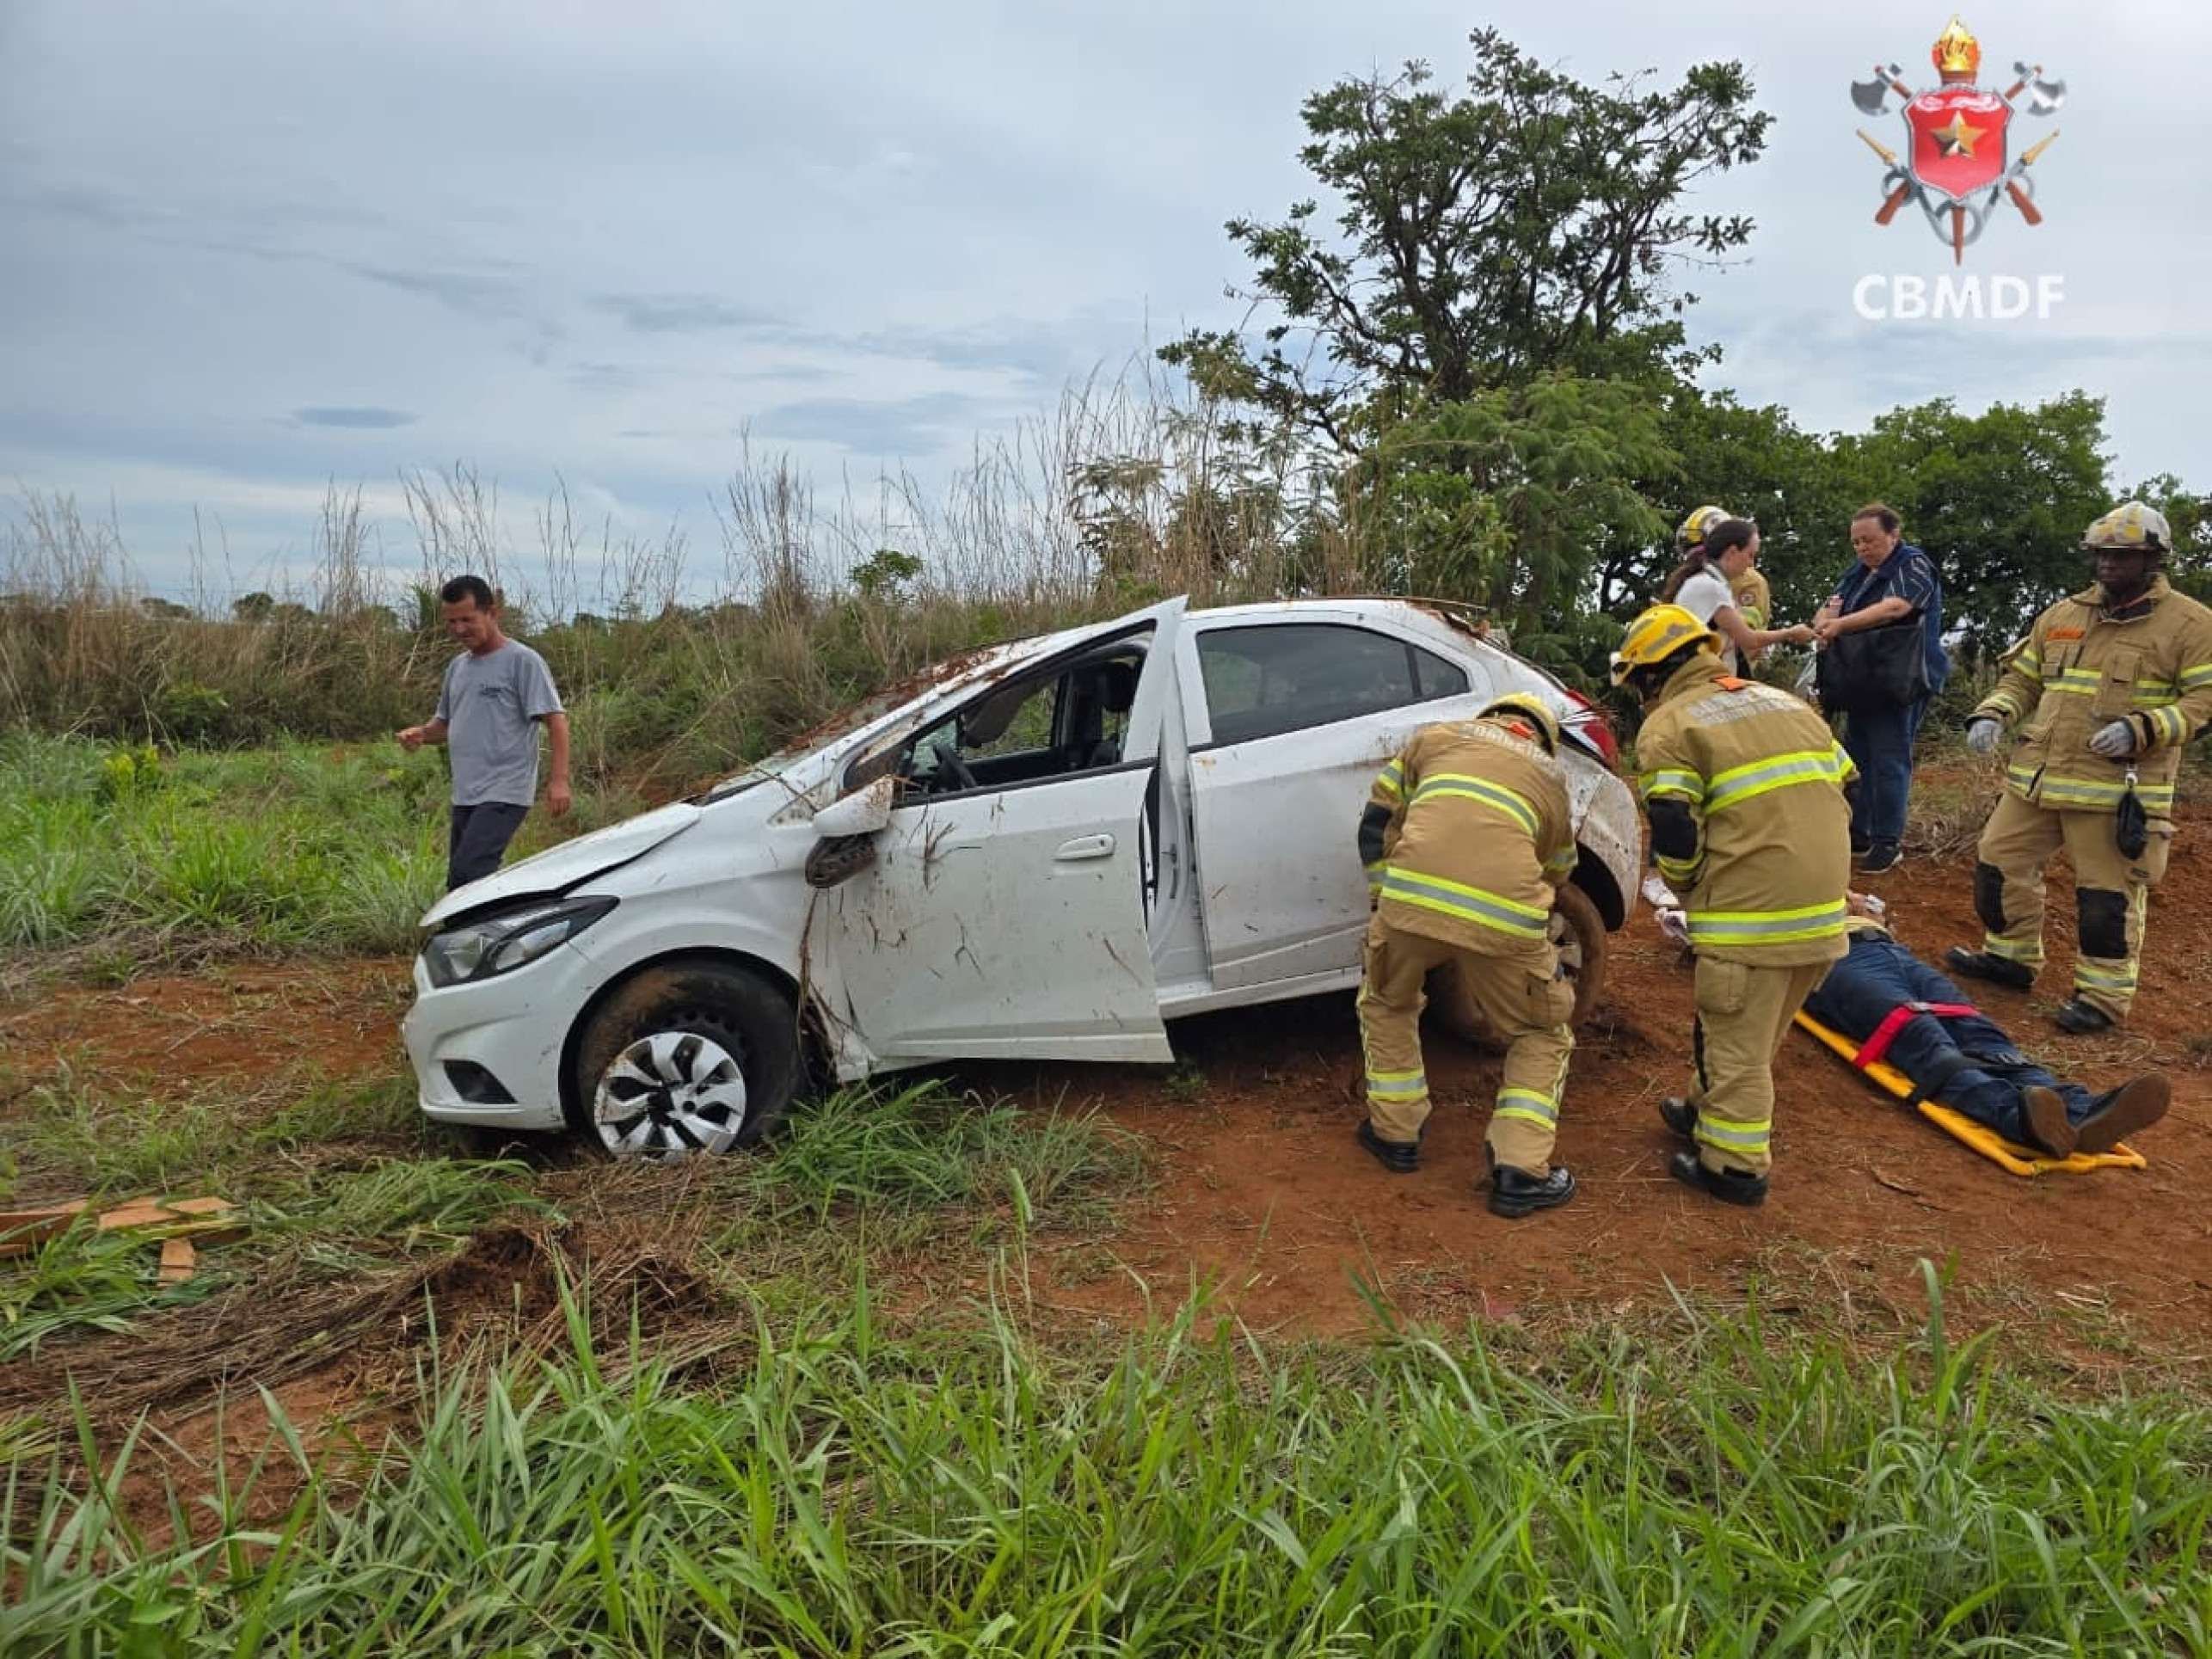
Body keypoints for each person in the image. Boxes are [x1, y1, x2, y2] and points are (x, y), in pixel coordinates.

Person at [1618, 602, 1856, 1206]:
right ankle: (1703, 1108)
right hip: (1822, 909)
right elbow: (1846, 783)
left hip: (1751, 914)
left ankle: (1734, 1166)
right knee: (1752, 1026)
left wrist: (1687, 884)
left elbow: (1673, 825)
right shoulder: (1784, 703)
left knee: (1739, 1042)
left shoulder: (1670, 725)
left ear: (1651, 675)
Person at [1946, 501, 2212, 1032]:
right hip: (2037, 777)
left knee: (2105, 899)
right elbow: (2023, 678)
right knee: (1998, 863)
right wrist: (1993, 712)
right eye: (2101, 555)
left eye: (2122, 556)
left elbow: (2205, 698)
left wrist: (2145, 727)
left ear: (2153, 559)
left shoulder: (2191, 623)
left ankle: (2102, 1000)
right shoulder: (2063, 613)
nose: (2108, 565)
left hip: (2115, 789)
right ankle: (2011, 958)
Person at [1355, 692, 1581, 1219]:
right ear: (1541, 736)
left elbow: (1374, 823)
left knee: (1387, 1002)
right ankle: (1521, 1172)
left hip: (1409, 903)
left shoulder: (1433, 740)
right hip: (1505, 919)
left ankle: (1394, 1135)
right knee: (1540, 1032)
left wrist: (1385, 898)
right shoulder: (1550, 777)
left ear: (1491, 719)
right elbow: (1559, 869)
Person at [1804, 900, 2172, 1156]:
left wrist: (1864, 909)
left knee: (1978, 1031)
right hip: (1829, 960)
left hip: (1889, 950)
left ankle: (2082, 1110)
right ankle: (2017, 1117)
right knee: (1923, 1037)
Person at [397, 575, 572, 891]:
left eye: (468, 619)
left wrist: (559, 781)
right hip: (466, 792)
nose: (459, 629)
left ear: (493, 613)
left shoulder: (522, 661)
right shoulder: (458, 668)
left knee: (472, 871)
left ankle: (494, 935)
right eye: (452, 622)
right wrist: (421, 735)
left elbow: (556, 720)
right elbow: (445, 726)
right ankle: (474, 937)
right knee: (461, 882)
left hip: (505, 790)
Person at [1812, 503, 1948, 875]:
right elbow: (1827, 609)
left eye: (1869, 540)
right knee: (1857, 756)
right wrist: (1825, 622)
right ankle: (1859, 830)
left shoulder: (1913, 565)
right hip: (1862, 679)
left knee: (1890, 757)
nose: (1862, 548)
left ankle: (1888, 841)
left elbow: (1895, 608)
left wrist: (1840, 626)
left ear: (1894, 535)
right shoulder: (1857, 573)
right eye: (1856, 542)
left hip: (1901, 678)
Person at [1660, 516, 1815, 674]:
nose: (1751, 564)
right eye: (1750, 555)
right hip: (1700, 682)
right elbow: (1749, 640)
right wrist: (1790, 633)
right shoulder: (1712, 588)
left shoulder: (1704, 582)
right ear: (1732, 552)